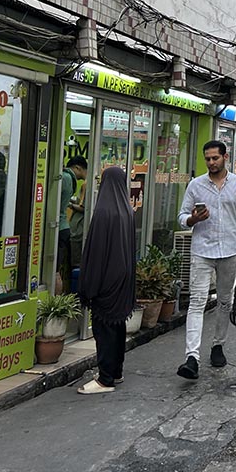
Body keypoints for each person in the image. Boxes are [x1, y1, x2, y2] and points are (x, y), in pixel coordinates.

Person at [176, 140, 236, 380]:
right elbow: (181, 216)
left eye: (215, 158)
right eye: (208, 159)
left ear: (225, 157)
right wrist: (193, 219)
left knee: (224, 301)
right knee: (197, 301)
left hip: (230, 251)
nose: (211, 163)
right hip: (202, 250)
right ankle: (192, 357)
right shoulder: (196, 185)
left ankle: (218, 345)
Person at [76, 166, 136, 395]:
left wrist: (89, 286)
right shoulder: (127, 211)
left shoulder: (103, 211)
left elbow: (96, 252)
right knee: (117, 326)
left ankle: (105, 379)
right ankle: (116, 371)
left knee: (104, 329)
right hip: (123, 279)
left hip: (106, 280)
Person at [58, 156, 88, 294]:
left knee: (57, 270)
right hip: (67, 226)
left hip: (66, 226)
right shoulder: (71, 180)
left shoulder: (65, 178)